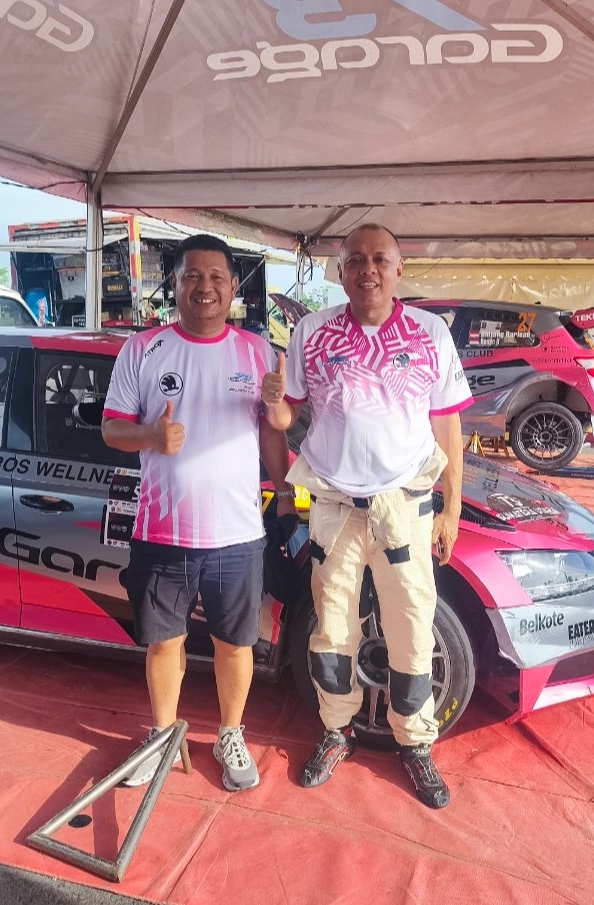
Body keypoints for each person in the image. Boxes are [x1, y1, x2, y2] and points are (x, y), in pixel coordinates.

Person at [262, 224, 471, 809]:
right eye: (355, 260)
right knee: (331, 628)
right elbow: (285, 418)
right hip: (333, 507)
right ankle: (337, 731)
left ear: (400, 269)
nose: (368, 270)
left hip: (405, 506)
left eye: (380, 259)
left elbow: (448, 425)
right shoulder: (312, 331)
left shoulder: (429, 333)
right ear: (340, 271)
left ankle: (415, 742)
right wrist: (274, 401)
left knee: (412, 626)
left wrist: (451, 508)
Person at [102, 234, 295, 792]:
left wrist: (285, 489)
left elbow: (273, 430)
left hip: (237, 534)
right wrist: (149, 436)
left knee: (235, 644)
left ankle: (231, 733)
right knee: (165, 643)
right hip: (162, 531)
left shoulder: (258, 352)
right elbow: (112, 428)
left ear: (233, 287)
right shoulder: (142, 349)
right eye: (192, 276)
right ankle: (162, 736)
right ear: (175, 284)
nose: (204, 287)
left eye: (215, 277)